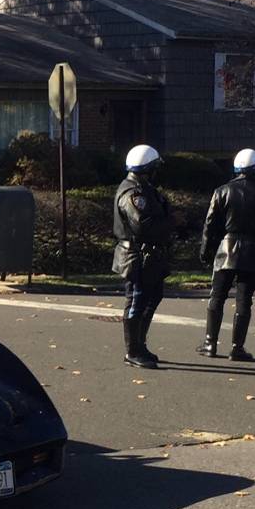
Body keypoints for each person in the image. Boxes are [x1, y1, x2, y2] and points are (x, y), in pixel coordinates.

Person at [196, 148, 255, 361]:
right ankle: (237, 347)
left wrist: (206, 251)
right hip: (253, 250)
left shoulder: (221, 191)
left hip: (226, 248)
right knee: (244, 299)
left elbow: (210, 225)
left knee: (217, 296)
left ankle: (210, 343)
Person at [112, 144, 174, 369]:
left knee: (153, 297)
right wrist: (171, 223)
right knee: (136, 300)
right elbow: (142, 224)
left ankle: (141, 343)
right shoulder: (133, 192)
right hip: (136, 255)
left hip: (151, 255)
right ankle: (133, 350)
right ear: (149, 168)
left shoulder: (146, 189)